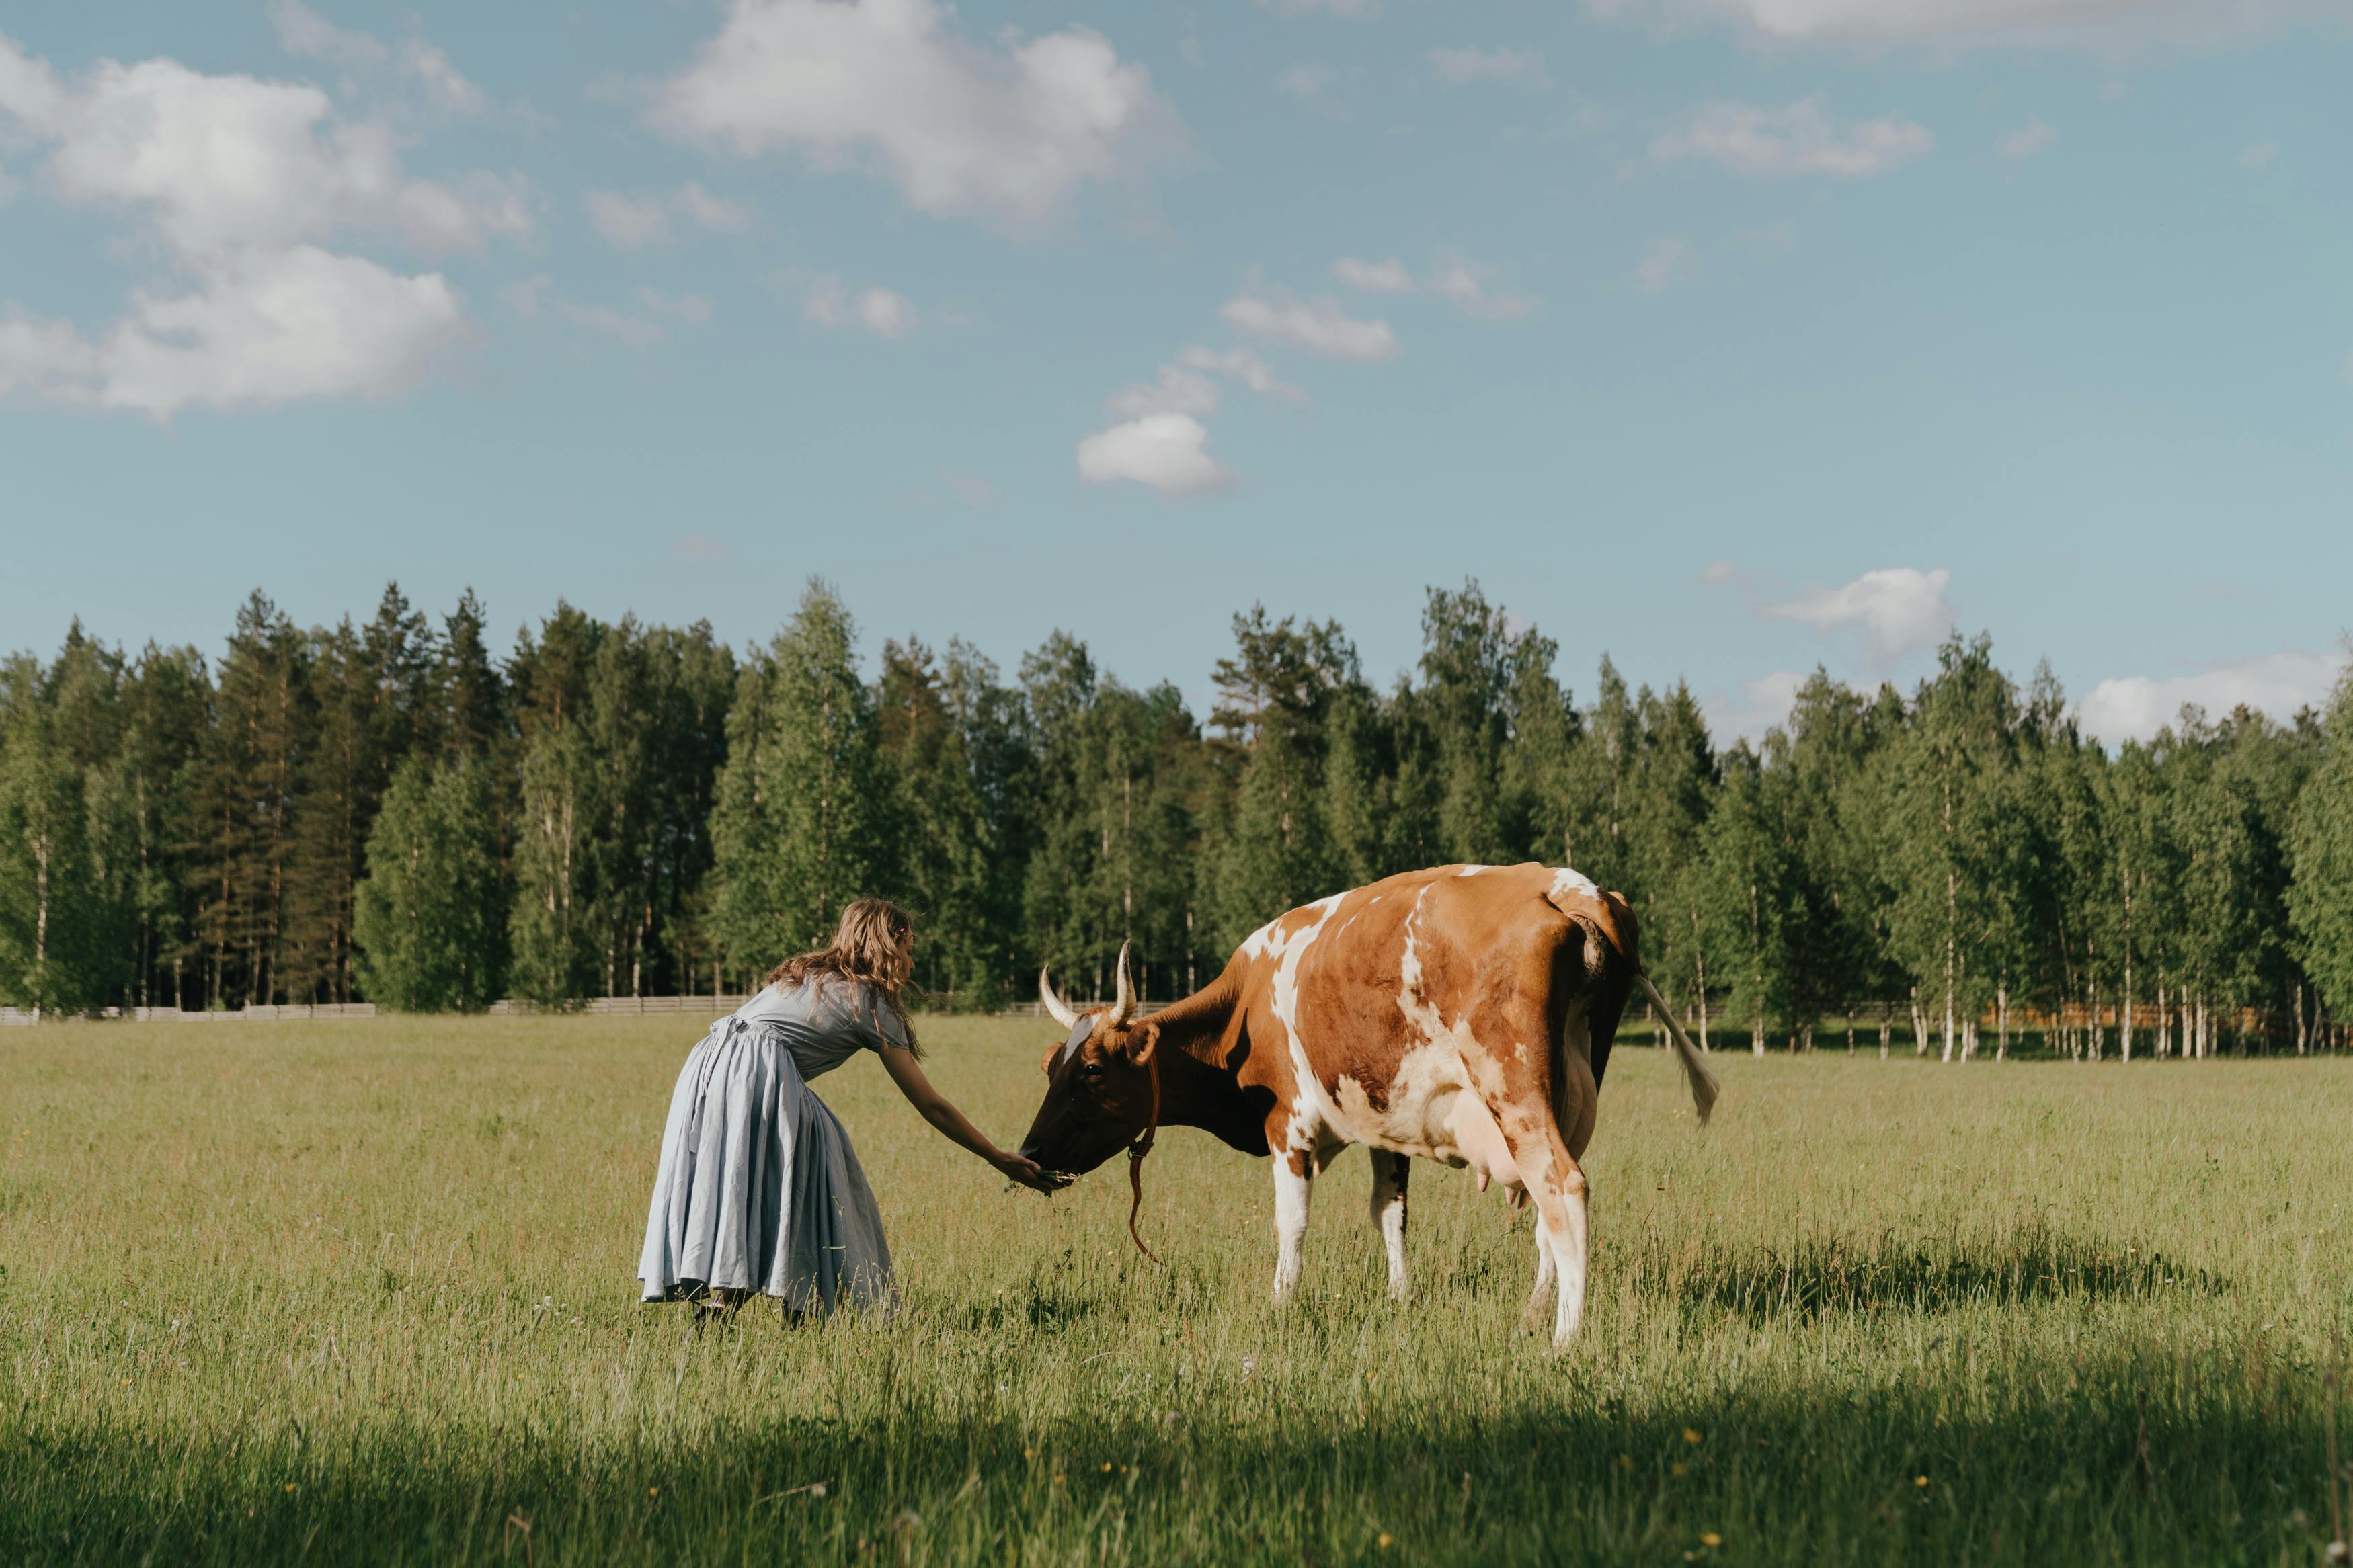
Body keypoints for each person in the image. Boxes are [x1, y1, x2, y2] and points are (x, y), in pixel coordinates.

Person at [637, 897, 1064, 1318]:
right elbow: (931, 1105)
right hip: (755, 1072)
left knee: (774, 1168)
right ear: (888, 945)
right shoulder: (870, 1005)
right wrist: (997, 1158)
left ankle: (738, 1306)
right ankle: (806, 1297)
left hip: (709, 1064)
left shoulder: (802, 974)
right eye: (909, 952)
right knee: (816, 1165)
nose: (912, 966)